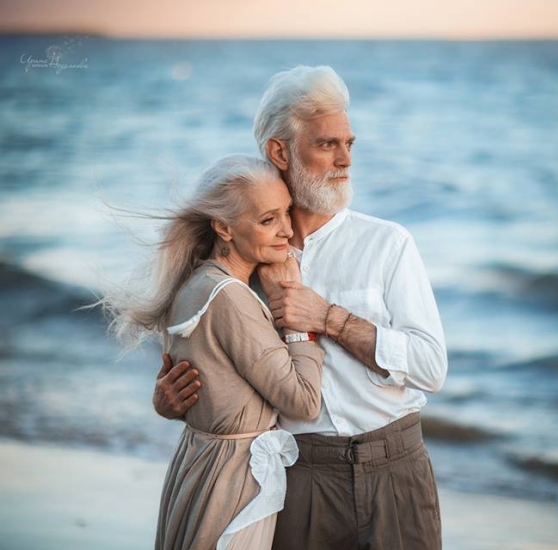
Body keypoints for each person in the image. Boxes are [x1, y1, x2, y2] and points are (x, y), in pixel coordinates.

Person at [155, 66, 449, 549]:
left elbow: (431, 368)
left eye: (349, 144)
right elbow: (203, 359)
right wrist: (169, 402)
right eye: (327, 144)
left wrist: (331, 319)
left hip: (396, 471)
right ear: (279, 151)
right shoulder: (242, 259)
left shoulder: (388, 244)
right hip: (297, 477)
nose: (345, 159)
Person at [105, 154, 326, 550]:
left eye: (287, 212)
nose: (287, 231)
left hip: (198, 465)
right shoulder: (230, 299)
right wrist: (296, 317)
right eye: (267, 219)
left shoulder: (193, 283)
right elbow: (304, 401)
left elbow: (205, 390)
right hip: (232, 481)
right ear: (223, 227)